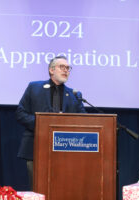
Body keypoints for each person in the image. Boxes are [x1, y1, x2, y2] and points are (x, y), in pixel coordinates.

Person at [15, 55, 86, 189]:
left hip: (66, 150)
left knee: (62, 188)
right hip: (36, 147)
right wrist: (42, 125)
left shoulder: (74, 95)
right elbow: (20, 113)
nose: (66, 70)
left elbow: (83, 121)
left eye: (68, 68)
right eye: (62, 67)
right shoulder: (34, 87)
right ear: (51, 70)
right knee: (38, 188)